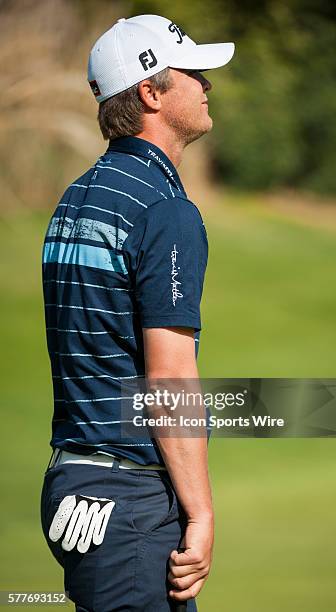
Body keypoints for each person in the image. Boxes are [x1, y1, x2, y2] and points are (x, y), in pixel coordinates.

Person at [40, 14, 234, 612]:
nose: (207, 83)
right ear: (151, 93)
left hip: (73, 486)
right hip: (128, 501)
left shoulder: (76, 197)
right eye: (193, 72)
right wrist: (200, 512)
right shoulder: (164, 209)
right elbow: (169, 378)